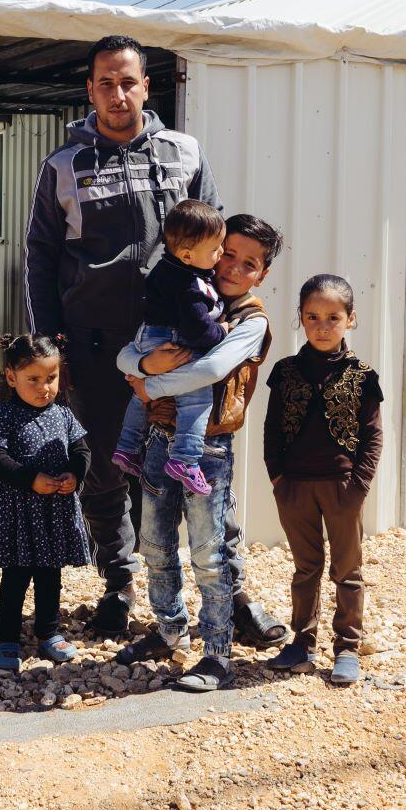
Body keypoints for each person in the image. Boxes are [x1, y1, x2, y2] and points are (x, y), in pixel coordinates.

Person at [22, 34, 215, 637]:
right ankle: (119, 581)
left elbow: (211, 241)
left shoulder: (185, 154)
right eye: (105, 82)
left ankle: (198, 587)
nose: (117, 92)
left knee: (181, 464)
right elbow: (40, 258)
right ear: (90, 90)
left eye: (127, 80)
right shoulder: (62, 167)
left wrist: (223, 325)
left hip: (173, 344)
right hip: (98, 345)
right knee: (106, 468)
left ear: (147, 86)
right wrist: (50, 345)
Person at [111, 214, 286, 692]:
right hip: (158, 438)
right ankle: (170, 631)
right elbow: (127, 351)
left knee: (209, 555)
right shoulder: (184, 291)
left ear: (262, 274)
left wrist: (149, 384)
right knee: (155, 545)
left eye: (248, 263)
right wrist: (142, 364)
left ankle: (217, 654)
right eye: (227, 253)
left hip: (206, 449)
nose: (232, 266)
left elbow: (211, 368)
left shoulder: (251, 320)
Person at [262, 274, 384, 687]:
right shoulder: (285, 371)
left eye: (333, 317)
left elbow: (372, 434)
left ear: (351, 320)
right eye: (312, 316)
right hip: (295, 486)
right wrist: (278, 479)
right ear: (300, 318)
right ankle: (302, 641)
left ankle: (348, 646)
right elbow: (272, 430)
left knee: (347, 570)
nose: (322, 325)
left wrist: (359, 486)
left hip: (342, 486)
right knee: (305, 568)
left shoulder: (362, 375)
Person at [0, 334, 91, 673]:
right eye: (33, 379)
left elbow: (82, 450)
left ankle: (49, 633)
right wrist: (29, 479)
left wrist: (75, 474)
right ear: (11, 377)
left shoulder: (64, 414)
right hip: (17, 514)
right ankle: (8, 638)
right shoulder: (3, 415)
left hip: (53, 513)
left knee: (50, 576)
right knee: (15, 578)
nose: (44, 387)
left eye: (51, 378)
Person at [111, 199, 229, 495]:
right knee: (197, 399)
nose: (222, 254)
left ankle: (126, 447)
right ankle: (185, 459)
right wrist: (222, 330)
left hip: (148, 335)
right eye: (216, 249)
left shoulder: (169, 268)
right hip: (172, 339)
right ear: (188, 255)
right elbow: (198, 329)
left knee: (142, 394)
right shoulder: (189, 285)